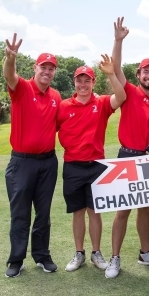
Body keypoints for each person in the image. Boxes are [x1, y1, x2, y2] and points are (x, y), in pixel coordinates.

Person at [58, 55, 127, 272]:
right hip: (72, 165)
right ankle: (79, 253)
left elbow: (122, 96)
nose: (83, 84)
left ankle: (96, 253)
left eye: (87, 80)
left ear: (93, 82)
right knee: (78, 211)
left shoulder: (102, 103)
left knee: (94, 211)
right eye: (79, 80)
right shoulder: (63, 106)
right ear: (74, 82)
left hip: (96, 165)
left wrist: (110, 73)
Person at [105, 17, 149, 279]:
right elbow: (115, 70)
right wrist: (118, 41)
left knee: (146, 210)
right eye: (145, 72)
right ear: (138, 75)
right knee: (123, 210)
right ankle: (115, 258)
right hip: (127, 155)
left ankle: (145, 252)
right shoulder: (128, 92)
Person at [3, 33, 61, 277]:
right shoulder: (22, 88)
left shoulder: (56, 96)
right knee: (20, 213)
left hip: (47, 162)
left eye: (51, 68)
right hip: (22, 162)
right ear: (36, 68)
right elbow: (9, 75)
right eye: (43, 67)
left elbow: (57, 126)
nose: (47, 71)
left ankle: (42, 255)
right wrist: (11, 58)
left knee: (44, 213)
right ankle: (17, 259)